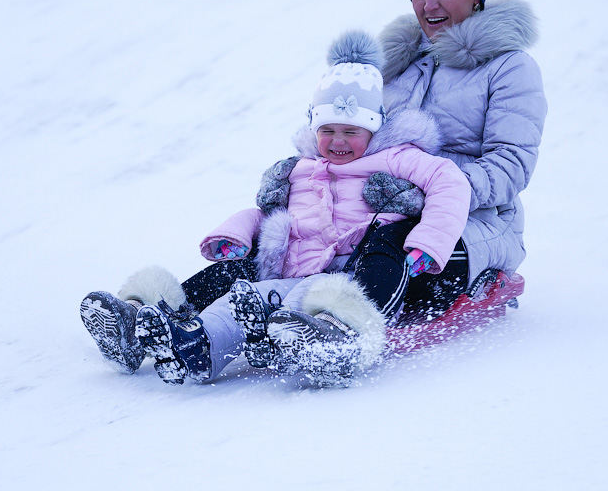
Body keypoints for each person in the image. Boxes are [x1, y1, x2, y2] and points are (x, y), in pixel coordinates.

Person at [131, 30, 471, 386]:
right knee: (241, 286)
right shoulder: (300, 166)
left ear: (374, 128)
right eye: (328, 130)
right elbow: (268, 213)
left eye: (351, 131)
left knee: (326, 286)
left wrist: (430, 241)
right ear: (314, 124)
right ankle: (181, 336)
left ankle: (337, 336)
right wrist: (236, 233)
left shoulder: (396, 156)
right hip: (293, 270)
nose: (338, 141)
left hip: (351, 272)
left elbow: (450, 182)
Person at [258, 0, 546, 337]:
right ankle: (201, 321)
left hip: (471, 224)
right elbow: (348, 133)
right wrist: (296, 173)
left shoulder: (510, 68)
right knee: (289, 233)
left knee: (385, 244)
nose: (429, 5)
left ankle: (343, 332)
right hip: (376, 209)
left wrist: (421, 195)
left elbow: (511, 165)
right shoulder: (397, 66)